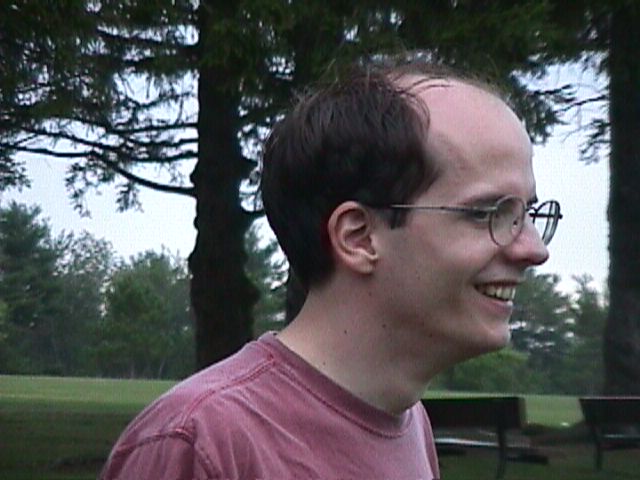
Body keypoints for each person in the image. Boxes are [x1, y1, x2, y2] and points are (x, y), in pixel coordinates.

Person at [100, 60, 561, 479]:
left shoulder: (406, 422)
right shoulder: (201, 445)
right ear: (358, 237)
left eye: (527, 213)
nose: (534, 250)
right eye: (488, 213)